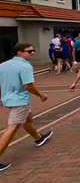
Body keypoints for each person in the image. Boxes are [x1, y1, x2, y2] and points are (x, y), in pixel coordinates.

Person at [0, 43, 53, 171]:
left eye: (33, 51)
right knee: (13, 127)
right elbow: (28, 85)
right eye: (29, 51)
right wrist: (40, 95)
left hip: (8, 98)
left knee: (28, 119)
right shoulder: (25, 66)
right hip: (20, 101)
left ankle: (38, 138)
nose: (32, 53)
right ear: (19, 52)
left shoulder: (3, 65)